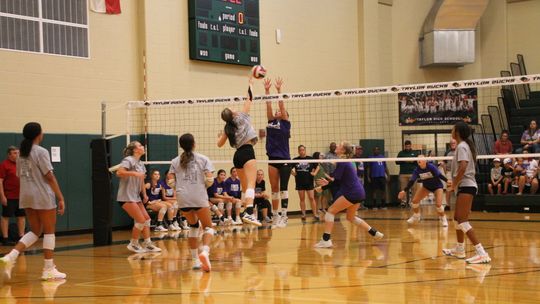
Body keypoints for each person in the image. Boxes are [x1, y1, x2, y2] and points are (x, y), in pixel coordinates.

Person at [0, 122, 68, 280]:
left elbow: (18, 175)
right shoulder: (41, 151)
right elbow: (49, 176)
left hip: (26, 195)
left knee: (35, 231)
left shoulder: (21, 154)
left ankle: (11, 256)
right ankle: (48, 269)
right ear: (39, 134)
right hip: (42, 195)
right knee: (49, 231)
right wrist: (61, 197)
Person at [313, 141, 383, 248]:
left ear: (343, 150)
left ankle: (326, 240)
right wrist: (327, 183)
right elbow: (339, 180)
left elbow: (336, 182)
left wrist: (321, 188)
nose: (337, 145)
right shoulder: (346, 161)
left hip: (352, 192)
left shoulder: (342, 161)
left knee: (330, 211)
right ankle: (374, 233)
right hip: (359, 192)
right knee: (350, 217)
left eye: (339, 145)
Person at [443, 121, 491, 264]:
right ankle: (460, 249)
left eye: (453, 128)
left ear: (457, 132)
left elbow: (463, 167)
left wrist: (454, 184)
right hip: (465, 186)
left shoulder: (462, 146)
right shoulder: (462, 146)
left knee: (462, 220)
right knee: (457, 218)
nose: (451, 130)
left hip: (467, 186)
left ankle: (482, 253)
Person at [168, 133, 215, 272]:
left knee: (193, 226)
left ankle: (195, 261)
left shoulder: (175, 161)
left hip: (183, 198)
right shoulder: (203, 159)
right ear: (194, 143)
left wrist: (179, 188)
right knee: (208, 227)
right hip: (198, 196)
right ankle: (205, 252)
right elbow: (210, 180)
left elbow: (170, 180)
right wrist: (202, 186)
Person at [218, 77, 261, 226]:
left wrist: (221, 135)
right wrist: (251, 83)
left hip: (237, 156)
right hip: (248, 152)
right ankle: (249, 213)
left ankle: (244, 210)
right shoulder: (242, 116)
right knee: (251, 184)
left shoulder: (227, 128)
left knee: (245, 186)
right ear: (233, 113)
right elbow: (250, 97)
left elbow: (219, 144)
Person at [115, 141, 161, 254]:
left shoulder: (141, 164)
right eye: (140, 145)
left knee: (147, 219)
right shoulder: (129, 160)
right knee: (140, 221)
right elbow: (119, 172)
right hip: (125, 196)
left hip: (136, 197)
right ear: (135, 150)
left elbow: (141, 181)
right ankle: (133, 243)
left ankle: (147, 244)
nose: (143, 147)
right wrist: (134, 174)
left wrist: (144, 194)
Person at [263, 77, 292, 228]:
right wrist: (267, 91)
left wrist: (279, 91)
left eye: (280, 111)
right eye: (276, 111)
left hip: (285, 159)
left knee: (283, 188)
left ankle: (284, 216)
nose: (277, 111)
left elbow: (281, 105)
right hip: (273, 159)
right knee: (274, 188)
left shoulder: (286, 123)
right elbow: (269, 106)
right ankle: (275, 217)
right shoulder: (271, 122)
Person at [397, 155, 449, 227]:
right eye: (418, 159)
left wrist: (447, 181)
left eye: (421, 159)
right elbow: (412, 181)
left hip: (437, 187)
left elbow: (439, 175)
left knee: (438, 205)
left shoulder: (431, 166)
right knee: (414, 202)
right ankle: (416, 216)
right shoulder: (417, 170)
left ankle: (443, 218)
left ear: (425, 161)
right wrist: (404, 191)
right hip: (426, 187)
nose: (419, 160)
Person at [0, 146, 25, 246]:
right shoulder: (4, 165)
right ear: (9, 155)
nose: (17, 155)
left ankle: (21, 237)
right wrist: (2, 196)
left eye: (18, 153)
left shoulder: (21, 165)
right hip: (9, 196)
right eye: (14, 153)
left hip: (21, 196)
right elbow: (0, 181)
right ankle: (5, 238)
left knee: (21, 216)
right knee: (6, 217)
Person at [292, 145, 319, 222]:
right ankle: (303, 214)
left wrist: (314, 173)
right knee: (302, 199)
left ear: (305, 150)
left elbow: (318, 166)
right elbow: (288, 168)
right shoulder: (295, 159)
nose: (302, 151)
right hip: (299, 182)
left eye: (303, 150)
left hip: (309, 181)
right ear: (298, 151)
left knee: (311, 198)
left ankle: (315, 214)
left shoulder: (310, 159)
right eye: (300, 150)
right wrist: (294, 174)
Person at [396, 140, 418, 205]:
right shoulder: (401, 153)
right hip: (403, 174)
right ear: (404, 146)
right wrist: (404, 160)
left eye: (409, 146)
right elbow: (397, 162)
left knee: (414, 188)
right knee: (403, 188)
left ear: (411, 145)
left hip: (413, 174)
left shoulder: (415, 153)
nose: (408, 147)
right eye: (406, 146)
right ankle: (403, 202)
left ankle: (413, 202)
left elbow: (418, 162)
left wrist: (413, 161)